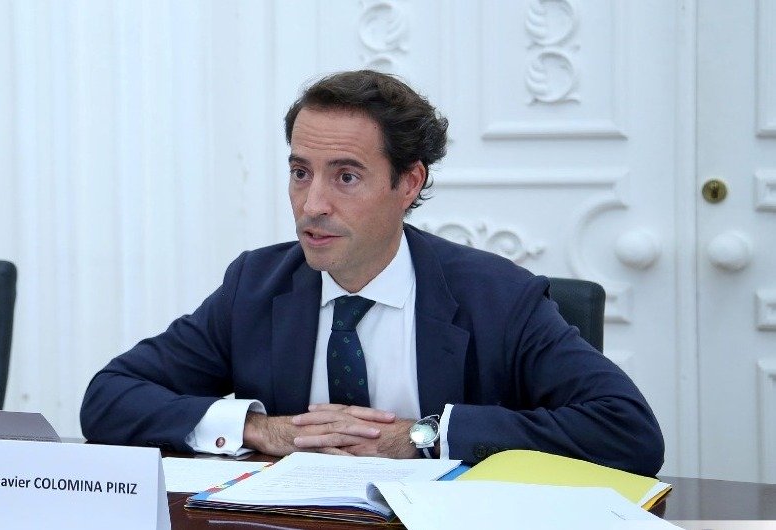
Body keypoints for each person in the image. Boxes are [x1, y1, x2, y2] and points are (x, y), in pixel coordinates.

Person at [80, 70, 664, 476]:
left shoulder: (497, 296)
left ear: (408, 183)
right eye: (300, 173)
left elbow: (626, 431)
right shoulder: (256, 285)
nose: (312, 205)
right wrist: (261, 429)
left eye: (346, 176)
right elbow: (110, 398)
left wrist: (421, 437)